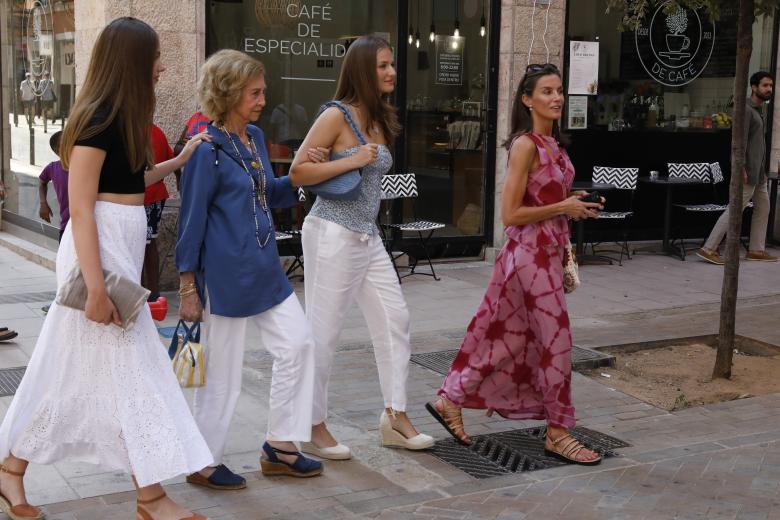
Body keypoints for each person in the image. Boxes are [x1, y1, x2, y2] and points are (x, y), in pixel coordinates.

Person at [0, 17, 213, 520]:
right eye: (156, 55)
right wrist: (95, 289)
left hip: (115, 251)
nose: (163, 65)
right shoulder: (95, 118)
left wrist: (179, 159)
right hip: (95, 257)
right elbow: (81, 207)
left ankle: (11, 468)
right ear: (132, 61)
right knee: (134, 370)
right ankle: (151, 496)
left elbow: (133, 180)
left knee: (66, 371)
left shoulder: (123, 117)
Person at [425, 64, 604, 466]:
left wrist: (575, 204)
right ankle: (558, 432)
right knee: (556, 343)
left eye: (559, 91)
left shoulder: (554, 144)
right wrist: (562, 206)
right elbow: (510, 214)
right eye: (546, 91)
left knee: (510, 339)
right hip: (528, 257)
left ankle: (450, 398)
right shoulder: (526, 145)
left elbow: (544, 201)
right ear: (527, 99)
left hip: (547, 254)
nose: (556, 98)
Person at [177, 49, 322, 485]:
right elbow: (191, 219)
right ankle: (203, 461)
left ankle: (280, 445)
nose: (263, 99)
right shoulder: (207, 150)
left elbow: (266, 193)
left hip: (265, 268)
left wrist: (301, 177)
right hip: (224, 276)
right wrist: (187, 287)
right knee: (221, 374)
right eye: (254, 92)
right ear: (228, 93)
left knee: (298, 346)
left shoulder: (254, 138)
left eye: (263, 91)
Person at [289, 35, 434, 459]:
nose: (391, 72)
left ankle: (395, 416)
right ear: (361, 71)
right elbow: (299, 171)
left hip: (367, 235)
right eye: (382, 66)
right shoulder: (336, 116)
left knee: (396, 318)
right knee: (324, 332)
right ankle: (312, 425)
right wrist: (353, 159)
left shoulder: (378, 116)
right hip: (332, 232)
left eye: (392, 65)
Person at [697, 71, 777, 264]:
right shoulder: (746, 110)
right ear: (754, 87)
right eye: (765, 85)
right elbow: (738, 142)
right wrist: (739, 168)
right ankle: (709, 248)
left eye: (771, 86)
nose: (769, 89)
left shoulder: (760, 110)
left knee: (763, 207)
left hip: (759, 172)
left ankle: (756, 249)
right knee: (735, 209)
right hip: (747, 171)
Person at [142, 124, 173, 302]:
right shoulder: (157, 131)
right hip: (156, 194)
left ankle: (140, 290)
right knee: (149, 242)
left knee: (140, 244)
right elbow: (171, 159)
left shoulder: (136, 130)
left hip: (143, 195)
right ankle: (153, 291)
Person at [38, 131, 69, 240]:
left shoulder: (86, 165)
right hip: (67, 227)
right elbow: (42, 182)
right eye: (67, 142)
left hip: (89, 226)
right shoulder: (52, 168)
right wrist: (43, 203)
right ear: (58, 150)